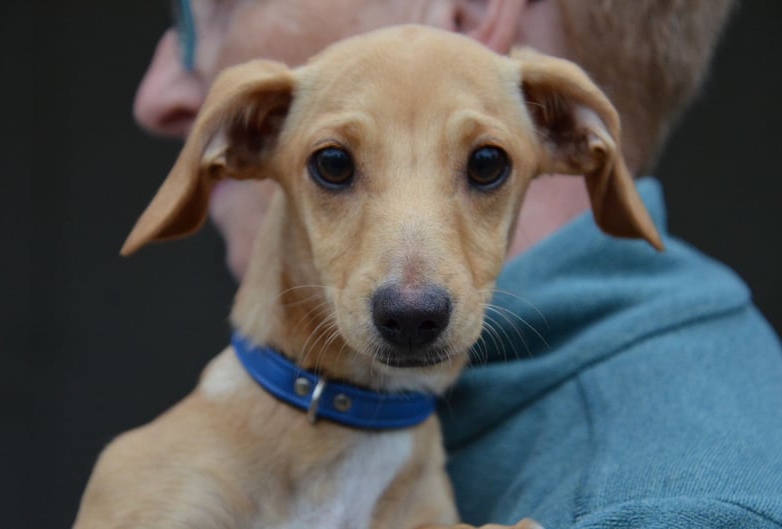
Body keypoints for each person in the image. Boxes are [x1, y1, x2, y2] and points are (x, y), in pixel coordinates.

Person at [133, 1, 782, 527]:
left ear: (469, 13)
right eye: (336, 165)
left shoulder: (667, 506)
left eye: (211, 8)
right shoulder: (388, 422)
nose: (155, 93)